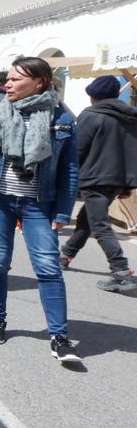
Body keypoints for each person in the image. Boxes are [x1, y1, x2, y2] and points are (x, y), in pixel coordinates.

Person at [0, 56, 81, 362]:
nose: (7, 84)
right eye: (8, 79)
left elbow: (69, 170)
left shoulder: (62, 119)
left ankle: (59, 336)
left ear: (38, 82)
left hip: (38, 204)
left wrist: (63, 212)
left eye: (16, 79)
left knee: (48, 268)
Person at [60, 75, 137, 292]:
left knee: (100, 225)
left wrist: (67, 178)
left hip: (95, 178)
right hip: (117, 179)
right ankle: (65, 256)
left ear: (93, 96)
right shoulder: (129, 117)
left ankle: (121, 272)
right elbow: (132, 153)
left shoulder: (91, 115)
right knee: (87, 220)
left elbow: (77, 150)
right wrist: (127, 184)